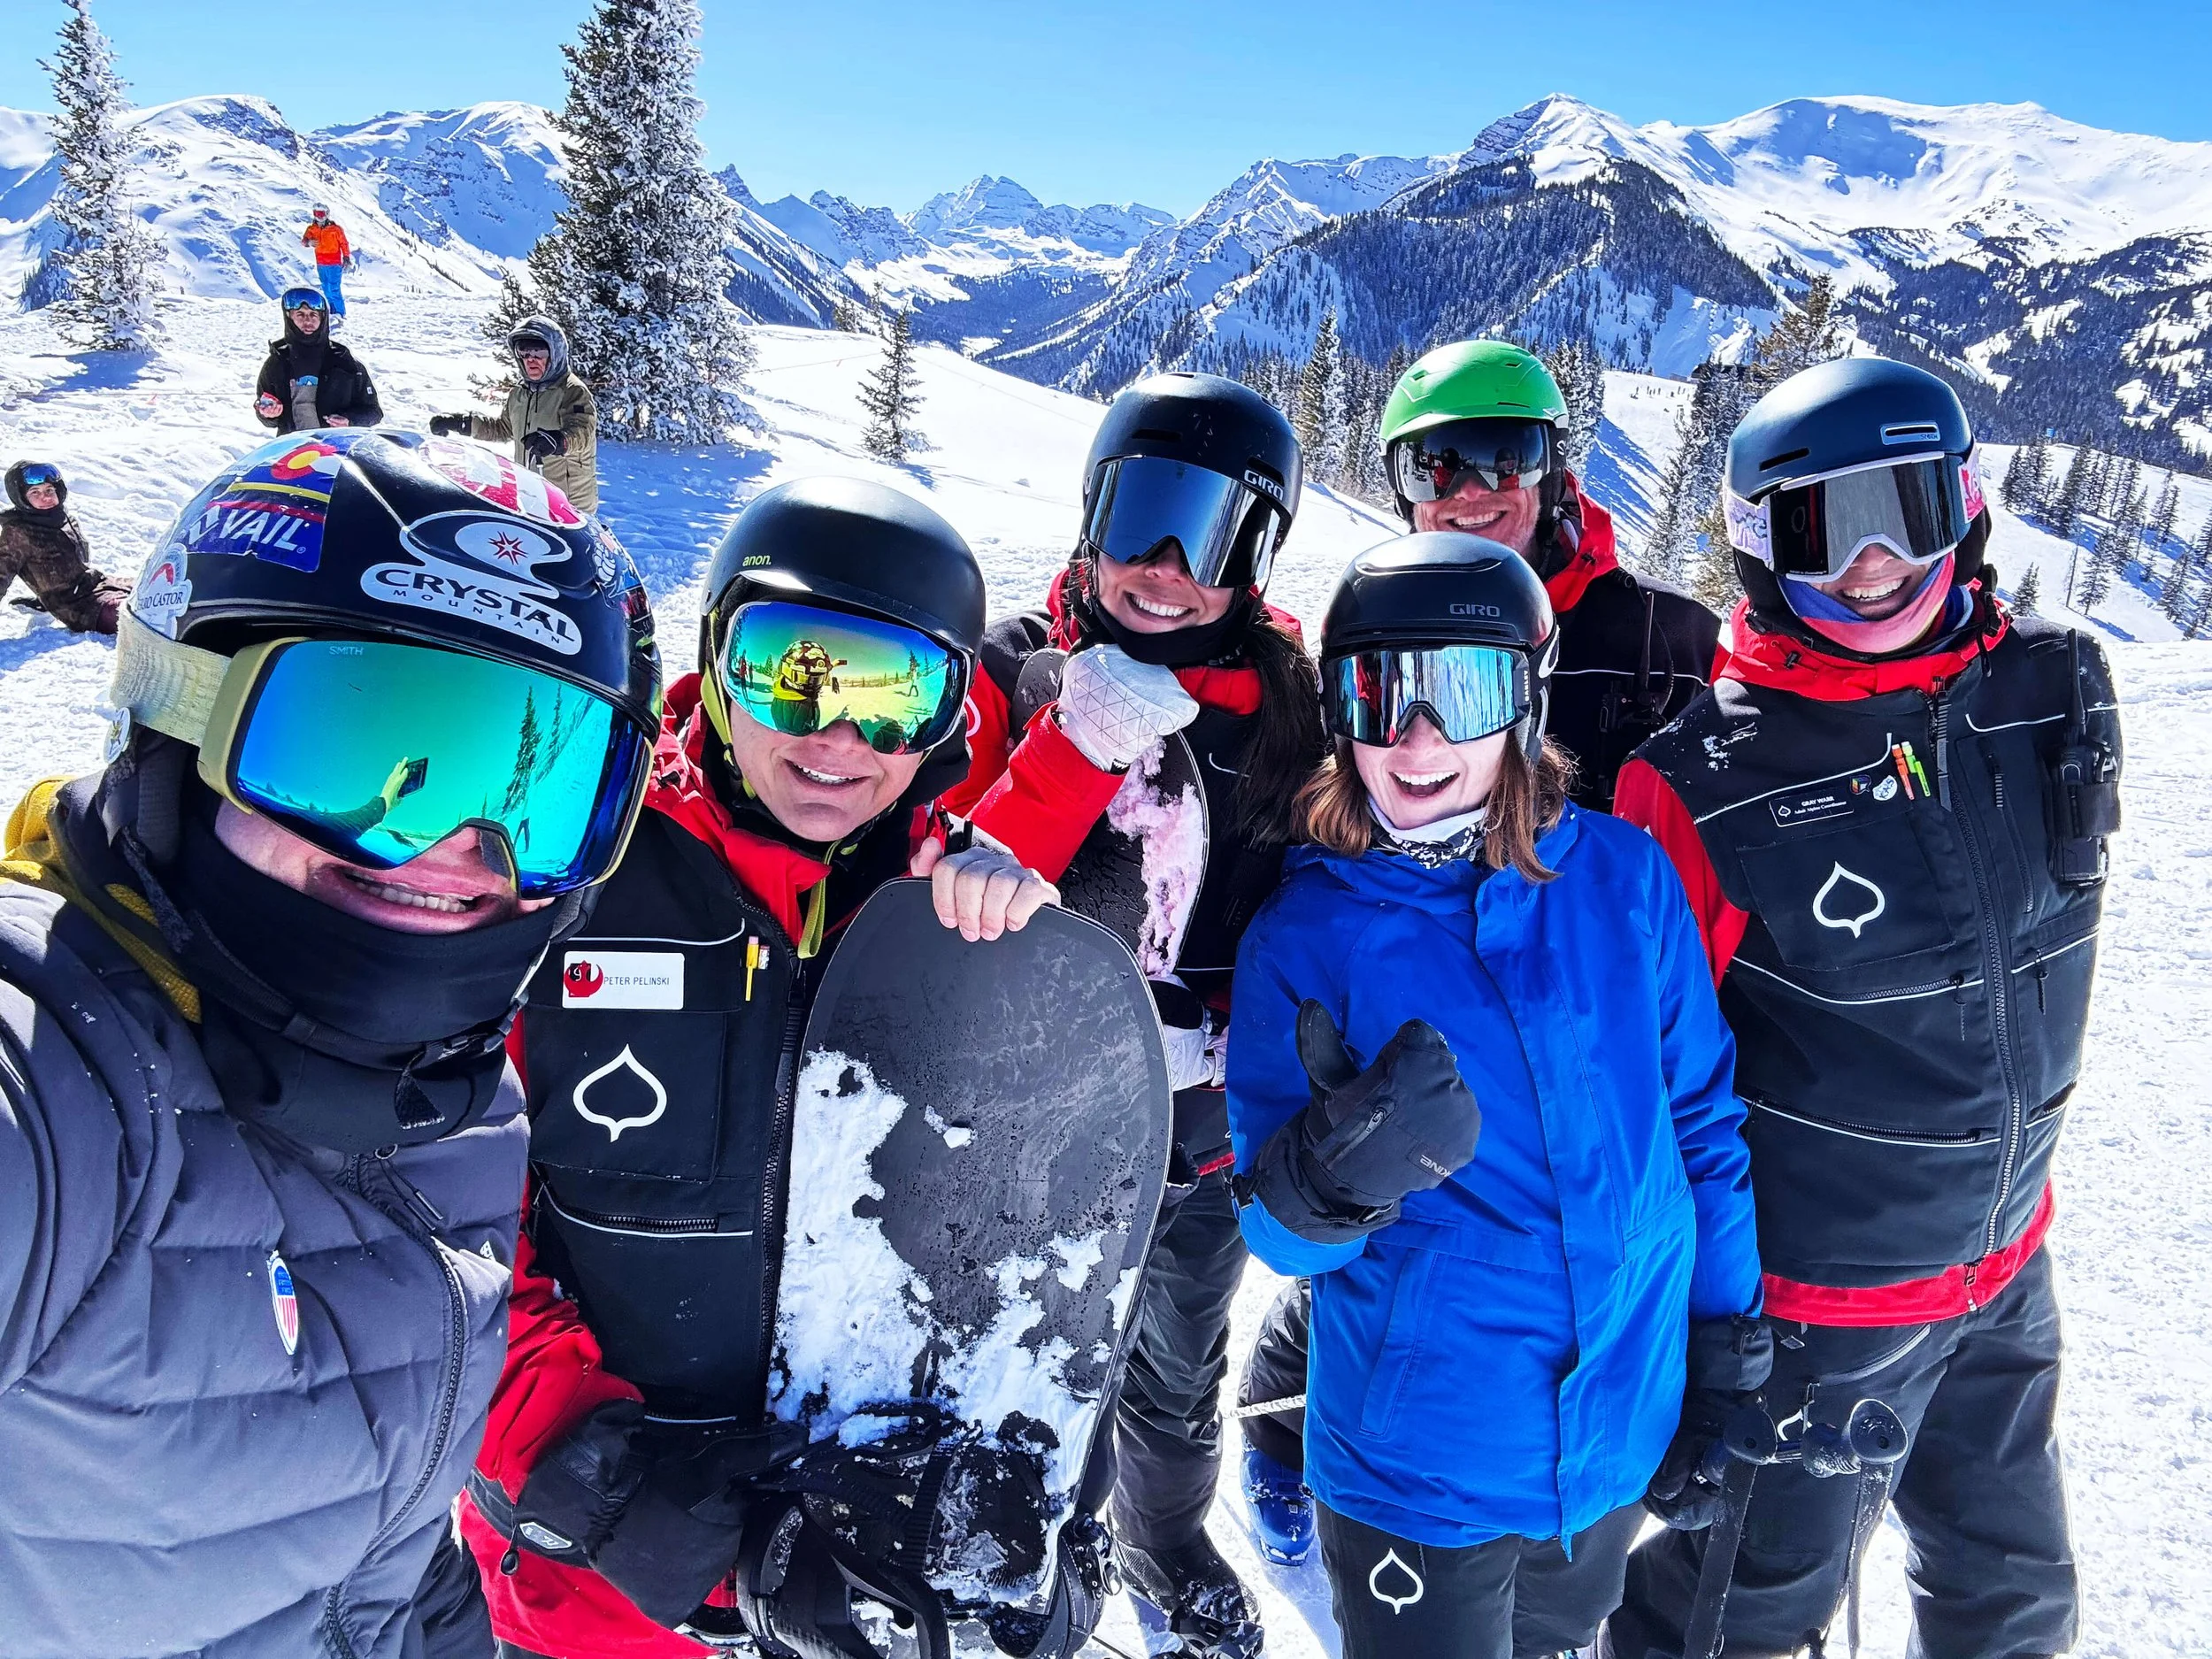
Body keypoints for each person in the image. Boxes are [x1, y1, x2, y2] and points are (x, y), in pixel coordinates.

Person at [0, 426, 662, 1656]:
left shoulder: (465, 1106)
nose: (456, 854)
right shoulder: (58, 1077)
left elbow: (377, 1540)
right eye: (361, 746)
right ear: (177, 722)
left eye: (535, 794)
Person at [456, 477, 1066, 1659]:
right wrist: (590, 1470)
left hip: (850, 1568)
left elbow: (1021, 1264)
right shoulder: (572, 873)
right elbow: (438, 1218)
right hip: (593, 1582)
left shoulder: (942, 919)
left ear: (947, 716)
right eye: (790, 669)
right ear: (718, 660)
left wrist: (1038, 1517)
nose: (835, 736)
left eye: (893, 693)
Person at [1602, 357, 2117, 1659]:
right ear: (1758, 545)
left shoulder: (2055, 684)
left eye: (1905, 508)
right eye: (1824, 527)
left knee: (2016, 1603)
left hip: (2004, 1264)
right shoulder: (1703, 781)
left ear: (1965, 504)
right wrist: (1692, 1331)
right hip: (1817, 1314)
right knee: (1731, 1620)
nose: (1874, 562)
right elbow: (1645, 1088)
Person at [1225, 533, 1765, 1659]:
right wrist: (1334, 1177)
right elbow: (1274, 1237)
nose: (1418, 739)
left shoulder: (1623, 878)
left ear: (1524, 700)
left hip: (1622, 1421)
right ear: (1337, 714)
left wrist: (1721, 1345)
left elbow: (1701, 1127)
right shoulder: (1303, 936)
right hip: (1420, 1462)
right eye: (1380, 694)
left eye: (1462, 692)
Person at [938, 372, 1325, 1658]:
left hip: (1200, 1127)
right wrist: (1073, 746)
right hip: (1025, 1119)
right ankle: (1025, 1540)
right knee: (1019, 1342)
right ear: (1092, 515)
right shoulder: (1010, 675)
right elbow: (937, 889)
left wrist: (1252, 1051)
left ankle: (1163, 1539)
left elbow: (1321, 901)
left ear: (1254, 558)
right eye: (1140, 516)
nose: (1165, 566)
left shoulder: (1290, 713)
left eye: (1209, 534)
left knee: (1174, 1359)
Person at [432, 318, 600, 516]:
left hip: (571, 507)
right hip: (534, 499)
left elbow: (582, 432)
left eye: (539, 352)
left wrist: (557, 441)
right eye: (524, 352)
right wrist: (460, 423)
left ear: (555, 353)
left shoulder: (572, 391)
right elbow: (502, 429)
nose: (531, 359)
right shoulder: (519, 393)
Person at [1, 458, 129, 633]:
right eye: (35, 492)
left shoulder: (62, 518)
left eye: (49, 490)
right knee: (137, 613)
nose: (46, 497)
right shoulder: (18, 532)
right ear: (21, 498)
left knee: (156, 589)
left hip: (99, 584)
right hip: (80, 607)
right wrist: (50, 597)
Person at [255, 285, 383, 434]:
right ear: (289, 317)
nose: (307, 321)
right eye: (300, 314)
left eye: (313, 314)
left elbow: (374, 412)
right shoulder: (276, 363)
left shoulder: (346, 363)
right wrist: (268, 413)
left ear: (323, 318)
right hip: (294, 446)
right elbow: (266, 412)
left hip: (336, 445)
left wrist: (349, 420)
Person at [302, 202, 355, 317]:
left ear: (327, 214)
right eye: (316, 214)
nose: (319, 217)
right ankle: (331, 312)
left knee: (334, 289)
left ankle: (340, 313)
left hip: (334, 263)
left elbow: (344, 243)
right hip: (321, 263)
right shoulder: (312, 229)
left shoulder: (335, 229)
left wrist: (346, 257)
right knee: (326, 289)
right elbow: (304, 241)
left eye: (321, 214)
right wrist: (308, 242)